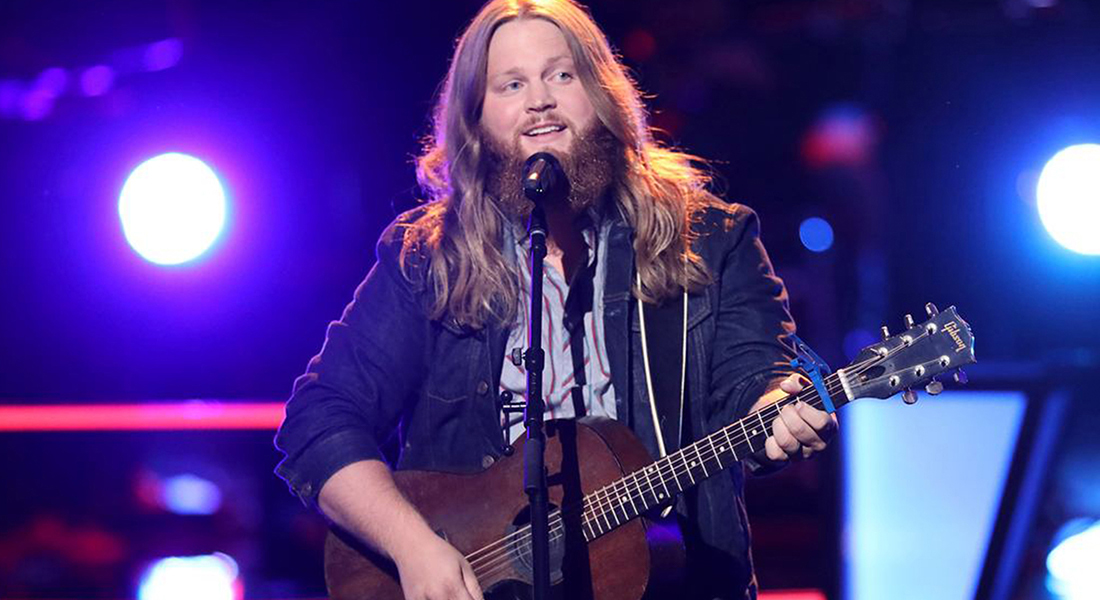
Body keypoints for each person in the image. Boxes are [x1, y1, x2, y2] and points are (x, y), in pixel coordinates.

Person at [274, 1, 838, 599]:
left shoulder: (711, 240)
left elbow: (756, 378)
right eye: (511, 84)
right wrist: (415, 547)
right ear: (477, 120)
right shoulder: (427, 258)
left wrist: (779, 407)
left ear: (601, 91)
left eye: (561, 75)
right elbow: (319, 420)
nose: (539, 100)